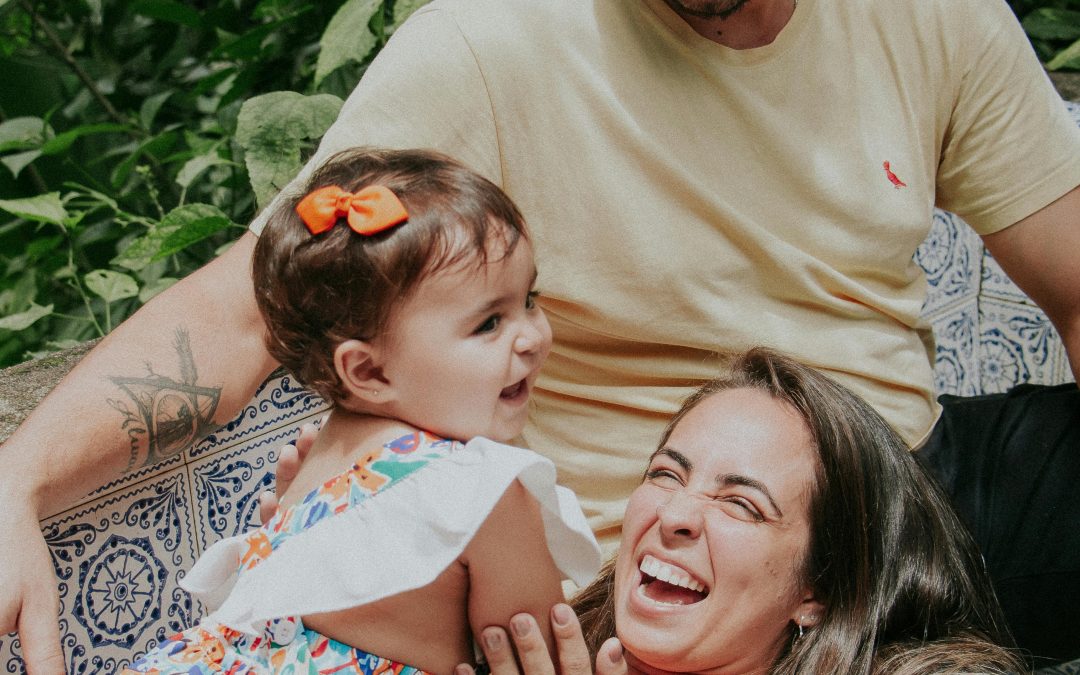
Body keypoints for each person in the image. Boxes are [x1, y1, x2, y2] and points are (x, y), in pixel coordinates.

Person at [2, 0, 1079, 669]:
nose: (526, 335)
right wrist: (14, 483)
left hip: (914, 463)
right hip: (667, 546)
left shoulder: (932, 14)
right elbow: (248, 305)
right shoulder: (491, 40)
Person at [120, 147, 601, 674]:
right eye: (489, 323)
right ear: (368, 373)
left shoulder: (321, 461)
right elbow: (541, 658)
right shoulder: (486, 490)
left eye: (529, 299)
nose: (532, 336)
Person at [463, 348, 1026, 674]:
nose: (676, 513)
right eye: (666, 474)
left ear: (816, 591)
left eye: (740, 504)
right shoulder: (537, 650)